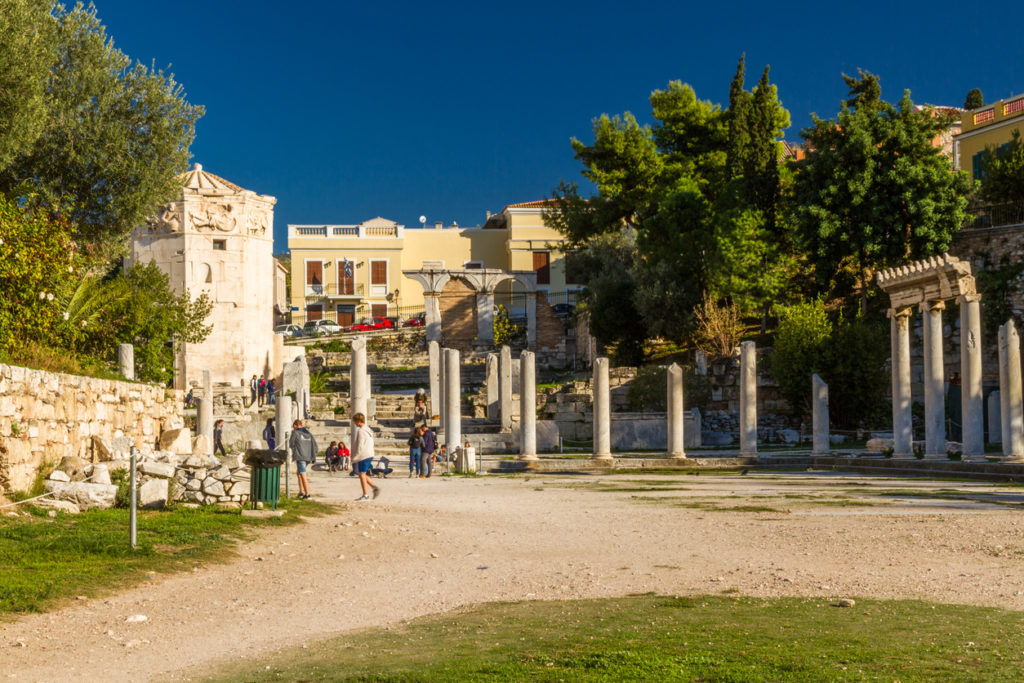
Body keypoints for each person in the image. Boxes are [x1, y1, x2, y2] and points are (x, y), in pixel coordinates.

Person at [351, 412, 380, 501]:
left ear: (358, 421)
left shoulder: (361, 431)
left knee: (362, 474)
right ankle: (374, 488)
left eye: (355, 421)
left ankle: (365, 495)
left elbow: (360, 445)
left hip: (363, 455)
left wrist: (355, 456)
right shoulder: (368, 429)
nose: (355, 423)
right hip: (369, 453)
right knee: (361, 473)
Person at [288, 419, 317, 499]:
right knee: (299, 473)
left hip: (300, 456)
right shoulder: (309, 433)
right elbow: (315, 446)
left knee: (303, 475)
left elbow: (291, 444)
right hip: (308, 456)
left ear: (295, 425)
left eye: (293, 427)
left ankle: (307, 494)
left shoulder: (295, 432)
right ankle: (301, 492)